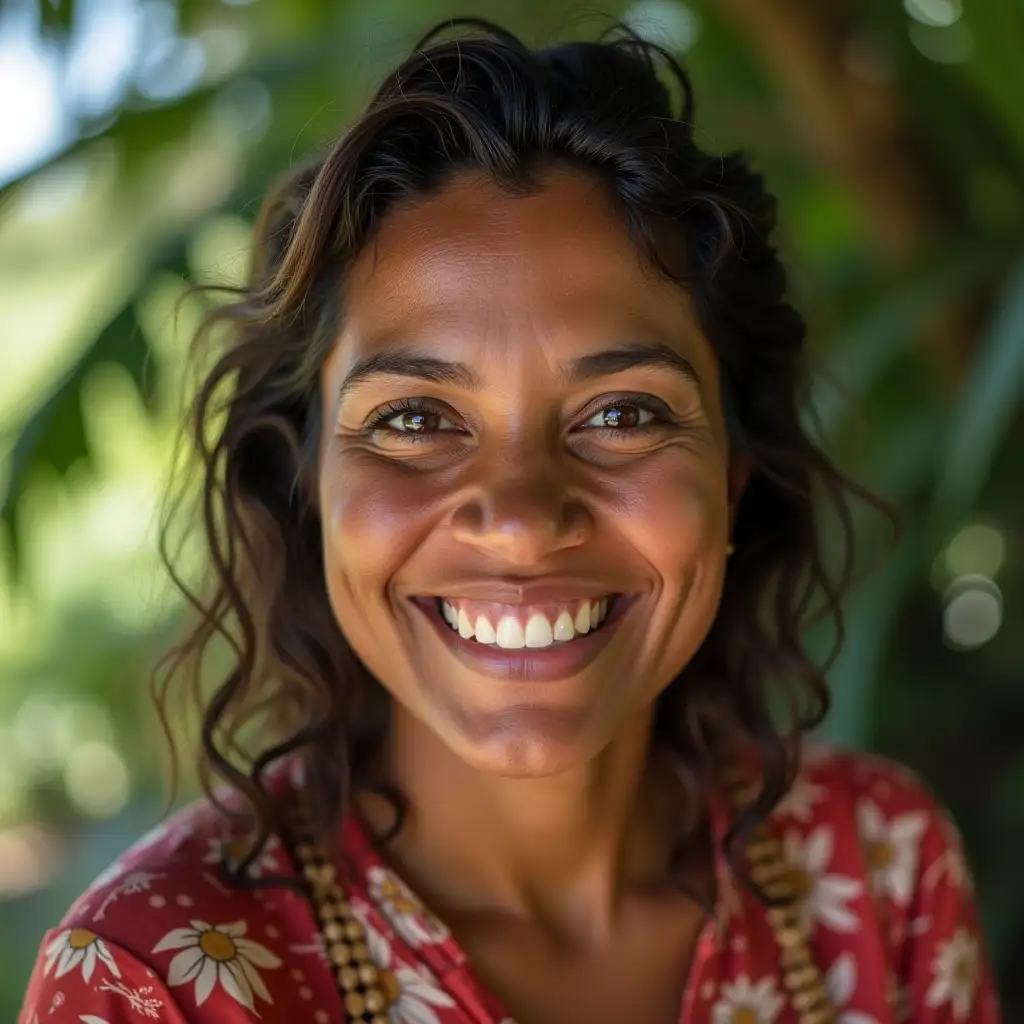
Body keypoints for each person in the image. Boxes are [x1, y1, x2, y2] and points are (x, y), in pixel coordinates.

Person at [20, 17, 1000, 1024]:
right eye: (414, 419)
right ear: (304, 481)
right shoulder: (154, 979)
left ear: (733, 475)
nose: (523, 524)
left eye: (622, 414)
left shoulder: (877, 867)